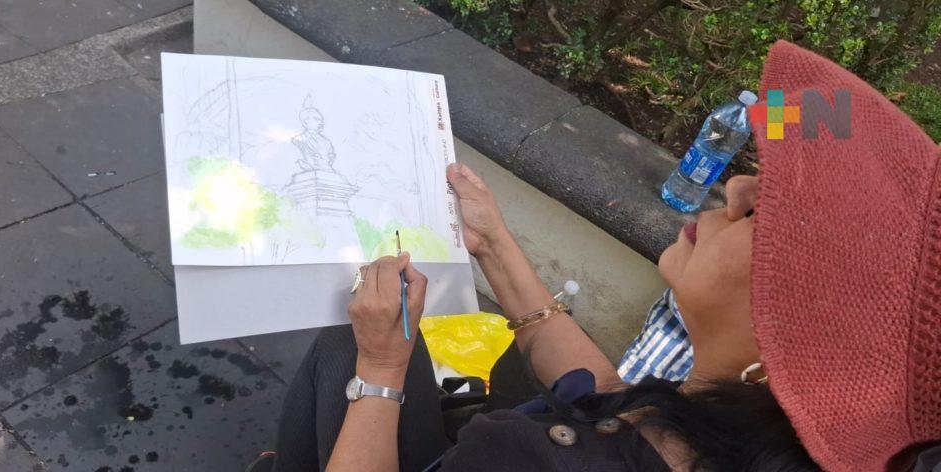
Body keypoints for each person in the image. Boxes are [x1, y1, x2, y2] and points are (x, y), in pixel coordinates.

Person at [265, 41, 941, 471]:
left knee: (353, 351)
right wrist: (494, 244)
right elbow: (610, 393)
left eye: (767, 212)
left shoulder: (521, 460)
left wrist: (381, 369)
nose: (735, 188)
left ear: (787, 347)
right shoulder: (741, 431)